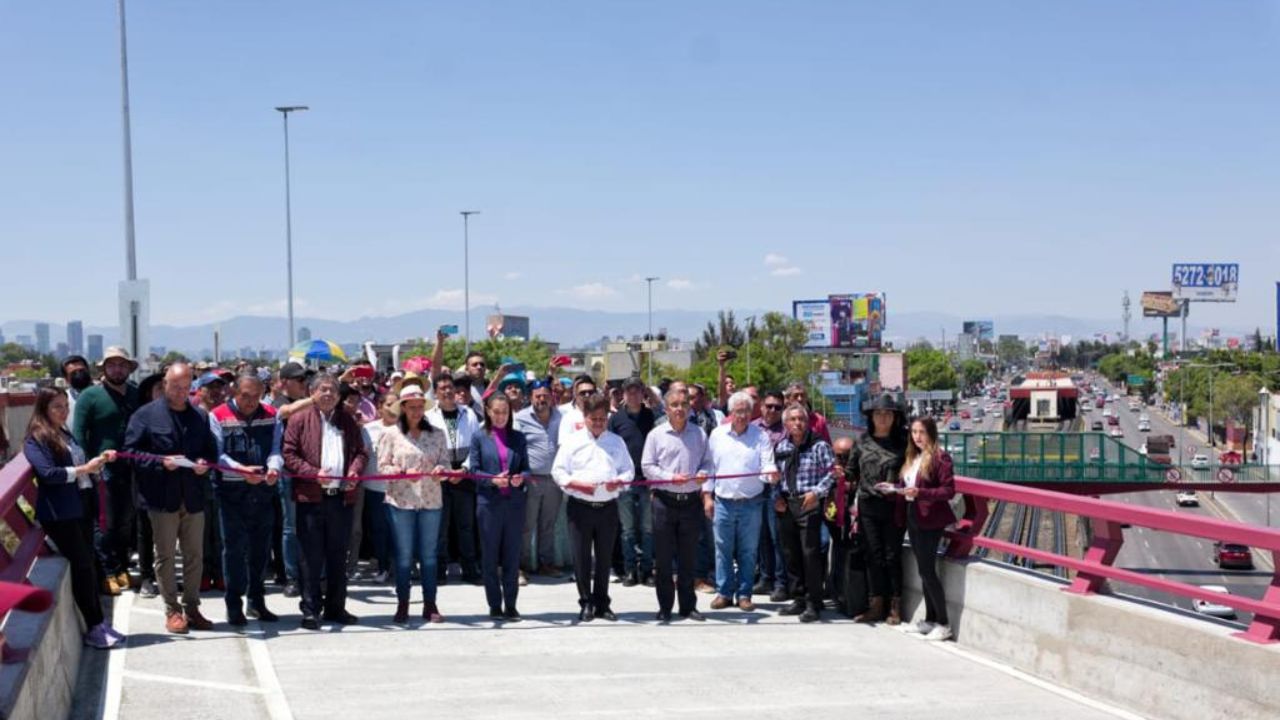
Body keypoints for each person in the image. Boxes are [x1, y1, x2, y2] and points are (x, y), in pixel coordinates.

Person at [23, 387, 126, 649]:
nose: (63, 411)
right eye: (56, 406)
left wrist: (96, 462)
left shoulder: (63, 433)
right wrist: (84, 468)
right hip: (61, 514)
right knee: (82, 566)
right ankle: (94, 626)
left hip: (80, 507)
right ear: (43, 408)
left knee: (88, 564)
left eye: (65, 406)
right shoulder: (37, 438)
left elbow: (75, 466)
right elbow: (48, 474)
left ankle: (99, 624)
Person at [123, 363, 219, 634]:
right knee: (164, 556)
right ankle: (172, 610)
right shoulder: (145, 415)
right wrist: (159, 463)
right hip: (161, 498)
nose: (180, 391)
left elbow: (210, 451)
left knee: (194, 556)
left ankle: (192, 607)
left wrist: (204, 463)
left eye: (185, 386)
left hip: (193, 496)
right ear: (164, 384)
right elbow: (130, 453)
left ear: (192, 387)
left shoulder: (199, 416)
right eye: (174, 386)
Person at [282, 373, 369, 630]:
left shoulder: (348, 421)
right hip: (310, 498)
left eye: (332, 390)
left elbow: (361, 452)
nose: (328, 394)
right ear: (312, 392)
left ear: (339, 395)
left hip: (341, 499)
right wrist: (312, 473)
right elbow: (289, 453)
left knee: (337, 556)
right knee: (310, 557)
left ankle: (336, 607)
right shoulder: (299, 419)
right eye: (323, 389)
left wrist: (354, 470)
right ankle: (310, 610)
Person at [209, 373, 283, 626]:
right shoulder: (218, 416)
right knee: (234, 550)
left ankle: (257, 600)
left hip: (263, 493)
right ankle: (234, 603)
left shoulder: (272, 414)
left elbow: (276, 449)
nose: (251, 401)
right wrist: (240, 471)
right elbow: (216, 456)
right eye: (245, 396)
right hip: (232, 494)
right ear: (234, 392)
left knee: (260, 550)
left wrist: (274, 467)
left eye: (256, 396)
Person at [552, 394, 632, 622]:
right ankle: (586, 602)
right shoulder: (573, 442)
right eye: (593, 418)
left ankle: (602, 603)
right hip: (580, 508)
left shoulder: (616, 442)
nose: (598, 423)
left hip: (607, 508)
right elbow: (558, 472)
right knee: (581, 557)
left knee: (605, 558)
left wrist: (619, 481)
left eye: (602, 418)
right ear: (585, 417)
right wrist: (575, 484)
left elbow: (628, 471)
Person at [376, 383, 448, 624]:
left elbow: (446, 465)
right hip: (401, 501)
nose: (417, 412)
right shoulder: (391, 434)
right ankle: (403, 603)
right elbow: (382, 467)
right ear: (403, 408)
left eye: (420, 407)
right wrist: (399, 471)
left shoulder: (437, 434)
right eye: (412, 407)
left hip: (430, 500)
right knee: (404, 555)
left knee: (429, 555)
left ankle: (430, 603)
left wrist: (441, 471)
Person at [73, 346, 141, 597]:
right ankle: (107, 572)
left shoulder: (136, 394)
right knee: (104, 523)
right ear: (104, 369)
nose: (117, 369)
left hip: (132, 467)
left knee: (126, 522)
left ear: (128, 368)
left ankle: (122, 566)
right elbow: (79, 433)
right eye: (112, 365)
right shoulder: (90, 396)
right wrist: (87, 466)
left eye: (122, 365)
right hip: (102, 470)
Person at [702, 391, 777, 612]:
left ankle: (744, 594)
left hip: (752, 502)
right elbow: (709, 469)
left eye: (746, 411)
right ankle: (723, 592)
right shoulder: (716, 435)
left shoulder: (760, 436)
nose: (742, 415)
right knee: (722, 549)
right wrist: (707, 497)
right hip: (723, 502)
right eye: (738, 411)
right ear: (731, 412)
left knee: (748, 550)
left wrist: (769, 474)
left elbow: (767, 464)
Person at [641, 387, 709, 622]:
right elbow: (647, 467)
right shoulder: (656, 435)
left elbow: (708, 463)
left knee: (688, 557)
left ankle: (688, 605)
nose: (680, 409)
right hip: (664, 503)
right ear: (666, 409)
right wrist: (670, 477)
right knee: (663, 558)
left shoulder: (699, 434)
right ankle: (665, 607)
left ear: (690, 408)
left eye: (684, 405)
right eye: (675, 405)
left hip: (690, 503)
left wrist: (703, 473)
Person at [847, 392, 909, 624]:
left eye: (887, 414)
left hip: (893, 505)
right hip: (868, 504)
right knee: (872, 554)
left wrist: (897, 486)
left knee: (892, 555)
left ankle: (895, 606)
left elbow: (913, 473)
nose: (883, 418)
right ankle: (876, 604)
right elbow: (852, 471)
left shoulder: (903, 443)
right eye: (878, 414)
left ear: (894, 418)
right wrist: (841, 475)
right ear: (871, 417)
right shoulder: (862, 441)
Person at [773, 404, 836, 623]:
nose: (797, 423)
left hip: (808, 503)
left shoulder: (819, 445)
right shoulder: (781, 447)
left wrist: (816, 493)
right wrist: (776, 496)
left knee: (810, 554)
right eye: (793, 419)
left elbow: (832, 474)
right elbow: (775, 476)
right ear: (786, 424)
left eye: (801, 419)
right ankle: (798, 597)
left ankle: (813, 601)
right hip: (787, 504)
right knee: (791, 554)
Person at [470, 393, 530, 620]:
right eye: (496, 412)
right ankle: (494, 604)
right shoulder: (479, 437)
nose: (501, 416)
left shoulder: (518, 438)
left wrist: (520, 478)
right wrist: (492, 479)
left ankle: (511, 604)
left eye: (505, 412)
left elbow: (526, 468)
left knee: (512, 557)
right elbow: (474, 470)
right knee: (489, 556)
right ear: (487, 411)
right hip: (489, 505)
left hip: (513, 505)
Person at [898, 416, 956, 641]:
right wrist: (897, 489)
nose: (917, 437)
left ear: (931, 433)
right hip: (914, 516)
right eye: (914, 432)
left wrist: (920, 493)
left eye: (921, 432)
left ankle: (943, 622)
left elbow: (948, 490)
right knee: (923, 571)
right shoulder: (913, 457)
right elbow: (909, 485)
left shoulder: (940, 458)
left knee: (929, 571)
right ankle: (930, 619)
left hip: (931, 519)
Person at [427, 372, 482, 585]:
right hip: (439, 475)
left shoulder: (468, 413)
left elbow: (476, 445)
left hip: (464, 475)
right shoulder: (429, 417)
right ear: (436, 393)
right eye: (442, 388)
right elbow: (428, 447)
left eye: (450, 387)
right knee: (440, 527)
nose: (448, 391)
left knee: (466, 526)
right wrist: (443, 470)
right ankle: (439, 571)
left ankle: (469, 569)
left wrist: (465, 469)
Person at [607, 377, 656, 587]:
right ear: (623, 394)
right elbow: (609, 449)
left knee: (647, 528)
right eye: (629, 391)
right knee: (627, 530)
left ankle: (646, 570)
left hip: (647, 481)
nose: (633, 394)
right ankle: (629, 570)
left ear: (642, 393)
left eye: (637, 390)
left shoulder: (652, 416)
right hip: (625, 482)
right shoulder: (616, 419)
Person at [272, 361, 315, 599]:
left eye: (304, 380)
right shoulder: (280, 402)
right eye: (299, 380)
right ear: (286, 382)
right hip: (289, 473)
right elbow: (286, 412)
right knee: (290, 528)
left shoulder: (310, 403)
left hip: (310, 471)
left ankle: (311, 573)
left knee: (311, 525)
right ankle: (291, 577)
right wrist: (315, 398)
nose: (303, 383)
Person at [515, 379, 563, 580]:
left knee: (548, 525)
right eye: (537, 396)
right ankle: (522, 566)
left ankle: (546, 563)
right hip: (531, 480)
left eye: (545, 395)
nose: (541, 399)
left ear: (551, 397)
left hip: (554, 480)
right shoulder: (520, 418)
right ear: (530, 397)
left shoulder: (561, 417)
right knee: (526, 525)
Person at [752, 391, 789, 602]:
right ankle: (765, 578)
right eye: (769, 406)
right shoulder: (753, 427)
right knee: (761, 537)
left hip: (777, 488)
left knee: (777, 539)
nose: (772, 410)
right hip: (755, 487)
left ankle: (780, 582)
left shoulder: (786, 430)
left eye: (777, 407)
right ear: (761, 406)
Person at [194, 372, 229, 592]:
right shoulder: (195, 415)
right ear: (200, 391)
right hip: (201, 480)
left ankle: (221, 572)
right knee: (203, 532)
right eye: (210, 388)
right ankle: (205, 573)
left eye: (219, 387)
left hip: (225, 479)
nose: (215, 392)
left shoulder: (227, 414)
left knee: (222, 531)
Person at [360, 392, 399, 584]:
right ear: (380, 406)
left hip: (401, 489)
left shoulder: (406, 428)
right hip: (375, 488)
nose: (392, 408)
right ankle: (383, 567)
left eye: (396, 404)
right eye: (388, 404)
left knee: (399, 530)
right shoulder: (368, 430)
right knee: (379, 530)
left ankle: (400, 567)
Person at [60, 355, 92, 435]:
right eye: (73, 373)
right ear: (66, 379)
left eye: (81, 370)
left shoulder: (104, 393)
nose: (78, 374)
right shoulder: (62, 400)